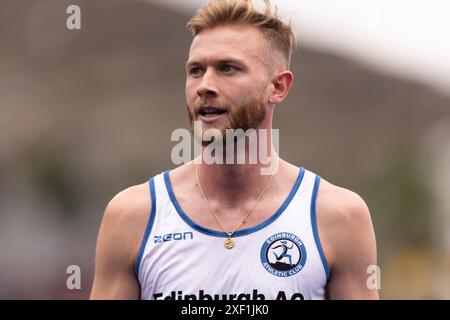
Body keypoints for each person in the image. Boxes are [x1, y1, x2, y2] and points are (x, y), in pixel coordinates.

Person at [90, 0, 378, 300]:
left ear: (278, 87)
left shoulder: (337, 216)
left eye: (227, 68)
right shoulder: (133, 215)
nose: (205, 85)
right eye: (196, 71)